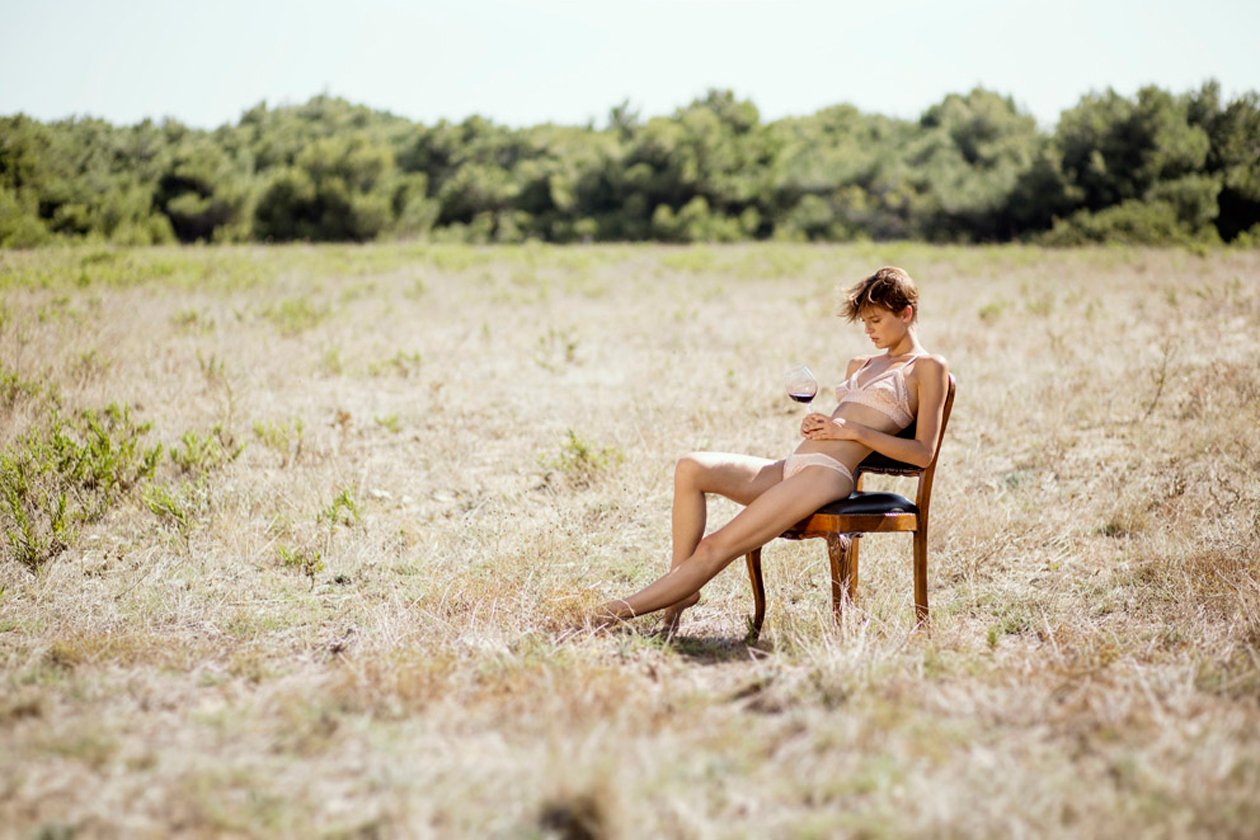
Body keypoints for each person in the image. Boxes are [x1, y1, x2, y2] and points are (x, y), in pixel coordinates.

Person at [587, 266, 950, 635]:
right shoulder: (861, 364)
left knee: (715, 546)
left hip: (826, 477)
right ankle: (681, 588)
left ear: (906, 314)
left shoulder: (927, 368)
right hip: (793, 465)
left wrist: (851, 430)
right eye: (864, 322)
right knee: (691, 466)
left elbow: (922, 453)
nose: (869, 330)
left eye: (876, 320)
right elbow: (847, 421)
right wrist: (821, 425)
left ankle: (604, 615)